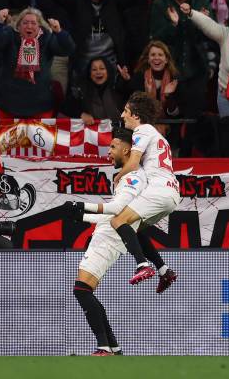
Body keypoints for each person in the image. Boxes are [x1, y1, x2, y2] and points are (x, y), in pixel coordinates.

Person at [65, 128, 176, 356]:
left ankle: (104, 347)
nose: (109, 152)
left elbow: (116, 211)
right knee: (84, 290)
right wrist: (84, 217)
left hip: (109, 237)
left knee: (82, 289)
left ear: (127, 150)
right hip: (109, 232)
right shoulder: (133, 175)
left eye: (113, 147)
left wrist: (83, 208)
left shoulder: (132, 176)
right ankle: (112, 346)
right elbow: (118, 216)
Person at [83, 92, 180, 285]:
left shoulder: (142, 130)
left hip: (158, 191)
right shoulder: (158, 136)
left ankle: (142, 265)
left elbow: (133, 162)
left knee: (118, 221)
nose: (122, 115)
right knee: (132, 228)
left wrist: (118, 176)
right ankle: (164, 270)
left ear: (136, 115)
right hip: (172, 193)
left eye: (126, 111)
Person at [0, 7, 75, 119]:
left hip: (40, 106)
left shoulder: (47, 39)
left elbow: (68, 49)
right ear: (18, 26)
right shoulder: (9, 36)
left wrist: (59, 32)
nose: (29, 26)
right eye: (25, 23)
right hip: (9, 105)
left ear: (39, 27)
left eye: (33, 23)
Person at [117, 40, 180, 145]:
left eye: (160, 54)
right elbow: (134, 110)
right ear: (148, 59)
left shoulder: (175, 79)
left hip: (170, 135)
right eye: (153, 55)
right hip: (142, 135)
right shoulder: (139, 78)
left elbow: (176, 113)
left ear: (166, 59)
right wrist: (127, 81)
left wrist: (169, 96)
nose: (156, 58)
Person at [61, 56, 123, 126]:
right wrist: (81, 114)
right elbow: (65, 106)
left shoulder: (118, 88)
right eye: (94, 69)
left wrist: (126, 80)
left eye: (102, 68)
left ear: (108, 71)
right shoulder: (82, 91)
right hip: (93, 134)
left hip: (119, 133)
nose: (98, 72)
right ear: (89, 74)